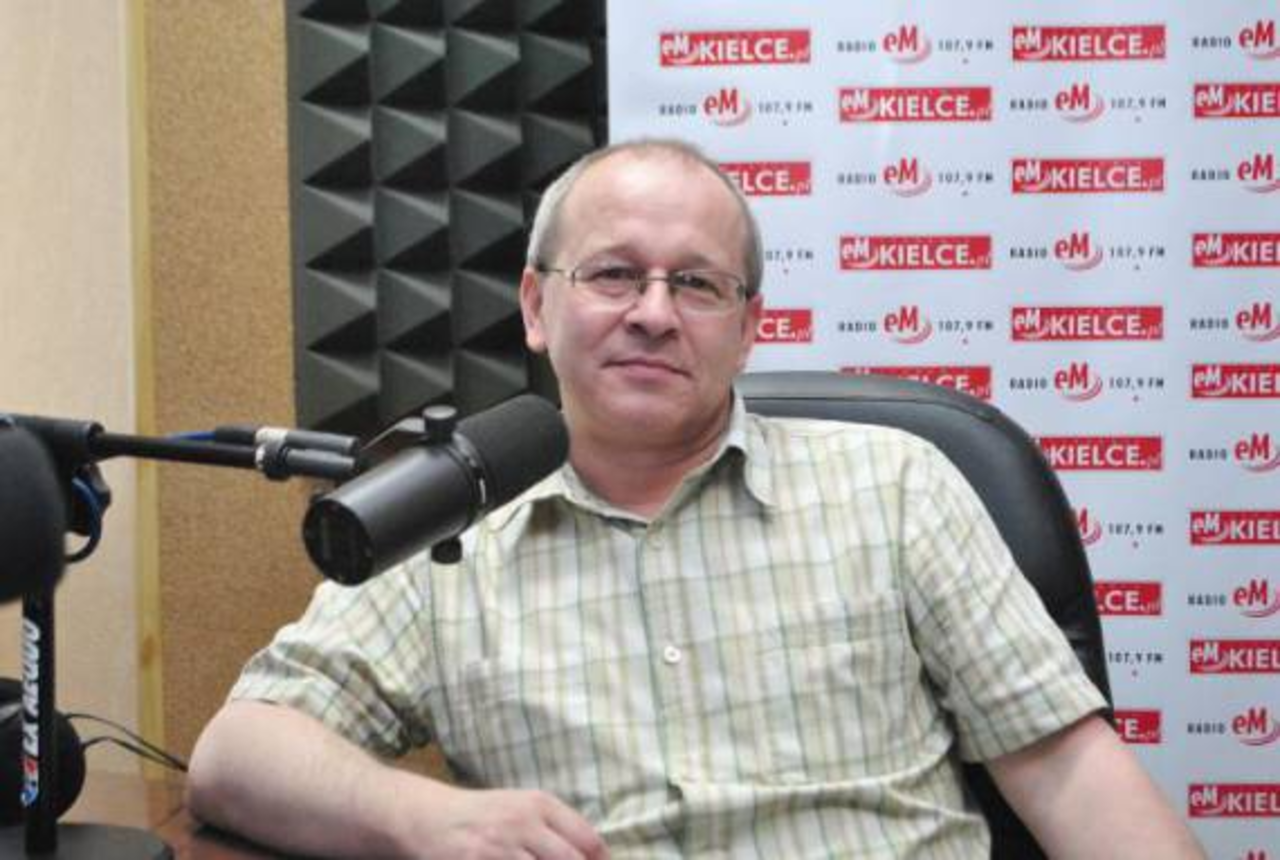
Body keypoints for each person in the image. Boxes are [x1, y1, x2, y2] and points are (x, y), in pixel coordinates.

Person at [187, 139, 1204, 859]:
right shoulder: (455, 532)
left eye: (698, 285)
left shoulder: (896, 486)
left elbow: (1069, 773)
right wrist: (423, 819)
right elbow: (238, 754)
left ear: (748, 328)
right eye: (613, 275)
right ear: (536, 306)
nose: (653, 313)